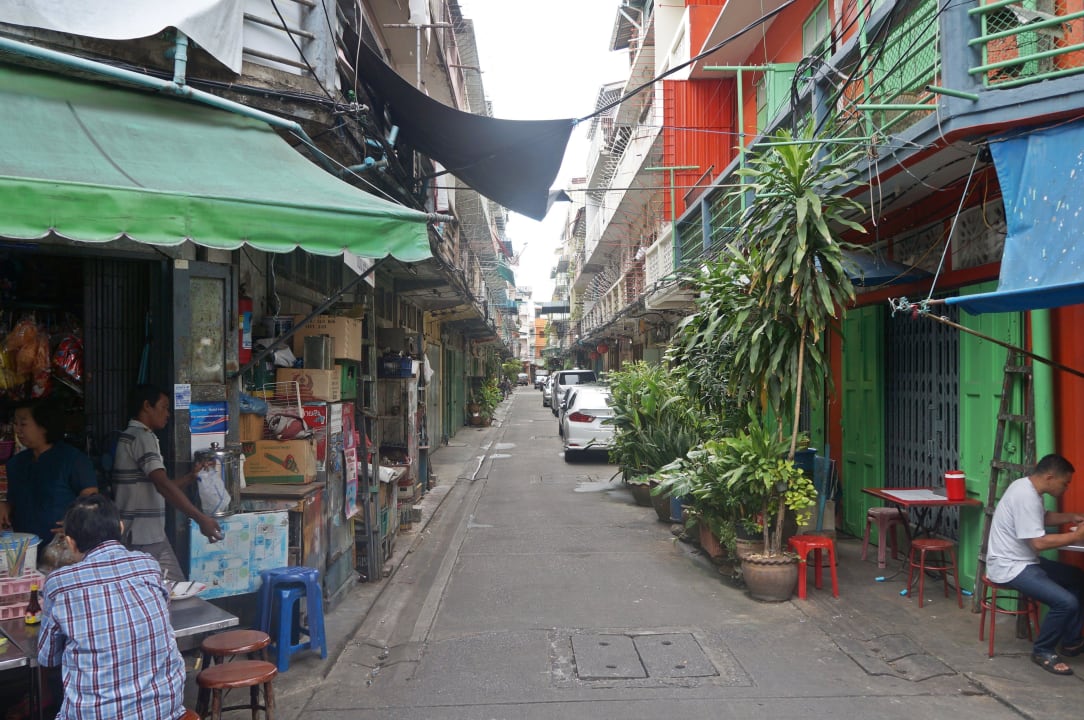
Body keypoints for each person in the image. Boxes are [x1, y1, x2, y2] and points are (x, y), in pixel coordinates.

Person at [38, 494, 186, 720]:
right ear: (121, 527)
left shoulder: (60, 583)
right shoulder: (148, 565)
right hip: (166, 709)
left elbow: (48, 657)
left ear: (70, 542)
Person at [986, 453, 1084, 676]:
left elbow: (1043, 517)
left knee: (1077, 578)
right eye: (1065, 483)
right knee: (1066, 602)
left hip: (1026, 561)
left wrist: (1072, 516)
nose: (1067, 488)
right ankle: (1043, 650)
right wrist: (1076, 537)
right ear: (1050, 477)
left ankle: (1071, 641)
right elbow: (1039, 543)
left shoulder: (1028, 488)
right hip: (1010, 566)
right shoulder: (1025, 495)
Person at [113, 384, 221, 581]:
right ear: (147, 406)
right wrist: (200, 518)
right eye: (163, 407)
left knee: (172, 591)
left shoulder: (131, 437)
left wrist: (190, 477)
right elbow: (162, 485)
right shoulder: (142, 437)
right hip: (141, 537)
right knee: (171, 594)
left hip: (150, 536)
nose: (168, 414)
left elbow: (159, 486)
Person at [0, 400, 97, 543]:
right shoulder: (16, 463)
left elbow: (92, 501)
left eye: (23, 424)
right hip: (24, 548)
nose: (17, 429)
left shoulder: (73, 460)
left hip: (64, 547)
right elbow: (14, 501)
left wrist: (75, 523)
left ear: (43, 426)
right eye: (15, 423)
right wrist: (5, 507)